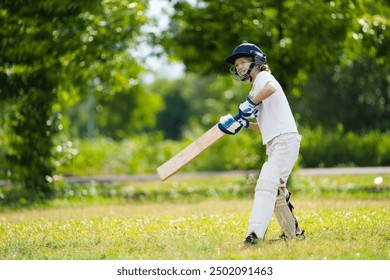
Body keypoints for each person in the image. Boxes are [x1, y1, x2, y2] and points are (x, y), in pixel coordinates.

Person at [218, 43, 305, 245]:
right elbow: (264, 125)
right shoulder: (256, 88)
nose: (238, 67)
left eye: (242, 61)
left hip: (285, 140)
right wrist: (244, 123)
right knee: (275, 189)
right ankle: (294, 234)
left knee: (267, 183)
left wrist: (250, 104)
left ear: (257, 61)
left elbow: (271, 87)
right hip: (278, 141)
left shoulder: (263, 78)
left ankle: (254, 237)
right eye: (236, 64)